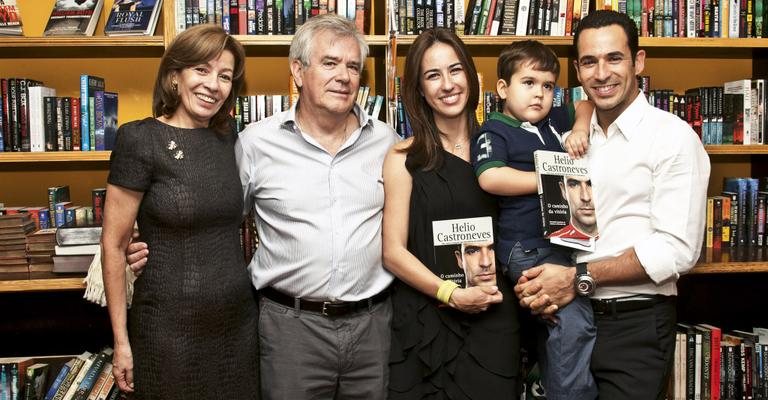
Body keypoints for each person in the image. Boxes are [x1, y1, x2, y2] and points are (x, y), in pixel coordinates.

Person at [516, 10, 710, 400]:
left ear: (638, 61)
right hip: (566, 320)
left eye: (614, 58)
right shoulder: (568, 139)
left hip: (634, 326)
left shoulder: (672, 138)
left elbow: (677, 251)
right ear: (578, 69)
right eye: (589, 62)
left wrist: (578, 277)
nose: (601, 73)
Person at [101, 24, 259, 399]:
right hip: (167, 332)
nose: (213, 85)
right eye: (201, 70)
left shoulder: (231, 139)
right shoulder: (139, 139)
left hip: (237, 329)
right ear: (175, 76)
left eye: (224, 76)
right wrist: (121, 343)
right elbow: (113, 244)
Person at [382, 27, 520, 399]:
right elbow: (392, 252)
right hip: (424, 322)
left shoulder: (503, 153)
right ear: (420, 90)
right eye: (433, 75)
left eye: (455, 70)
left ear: (472, 77)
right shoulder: (402, 158)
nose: (447, 84)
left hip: (493, 321)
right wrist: (450, 294)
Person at [471, 39, 597, 400]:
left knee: (555, 326)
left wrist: (580, 129)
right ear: (503, 88)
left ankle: (544, 384)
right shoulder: (494, 130)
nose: (539, 94)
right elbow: (490, 177)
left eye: (547, 86)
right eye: (528, 83)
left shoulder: (554, 119)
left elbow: (586, 102)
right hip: (525, 247)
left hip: (563, 242)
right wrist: (553, 181)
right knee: (575, 322)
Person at [549, 174, 597, 239]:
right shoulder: (555, 238)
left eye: (592, 184)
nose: (586, 197)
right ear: (563, 190)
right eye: (574, 185)